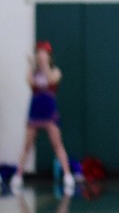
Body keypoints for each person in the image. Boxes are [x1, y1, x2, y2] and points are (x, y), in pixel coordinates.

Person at [12, 42, 75, 196]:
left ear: (49, 55)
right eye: (38, 53)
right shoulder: (33, 73)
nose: (40, 55)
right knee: (27, 145)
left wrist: (44, 65)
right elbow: (31, 83)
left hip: (49, 111)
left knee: (57, 144)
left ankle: (67, 174)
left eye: (43, 53)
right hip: (35, 110)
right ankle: (18, 175)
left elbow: (51, 80)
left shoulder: (55, 71)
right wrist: (32, 66)